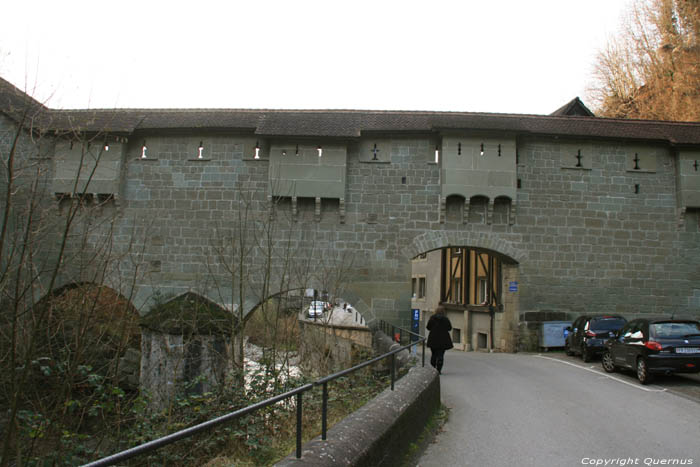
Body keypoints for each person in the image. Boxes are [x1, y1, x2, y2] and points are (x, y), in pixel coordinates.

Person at [426, 306, 453, 374]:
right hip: (443, 339)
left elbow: (428, 327)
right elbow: (449, 328)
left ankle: (432, 369)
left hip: (433, 339)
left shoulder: (432, 318)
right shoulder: (446, 319)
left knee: (433, 354)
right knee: (441, 355)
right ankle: (439, 369)